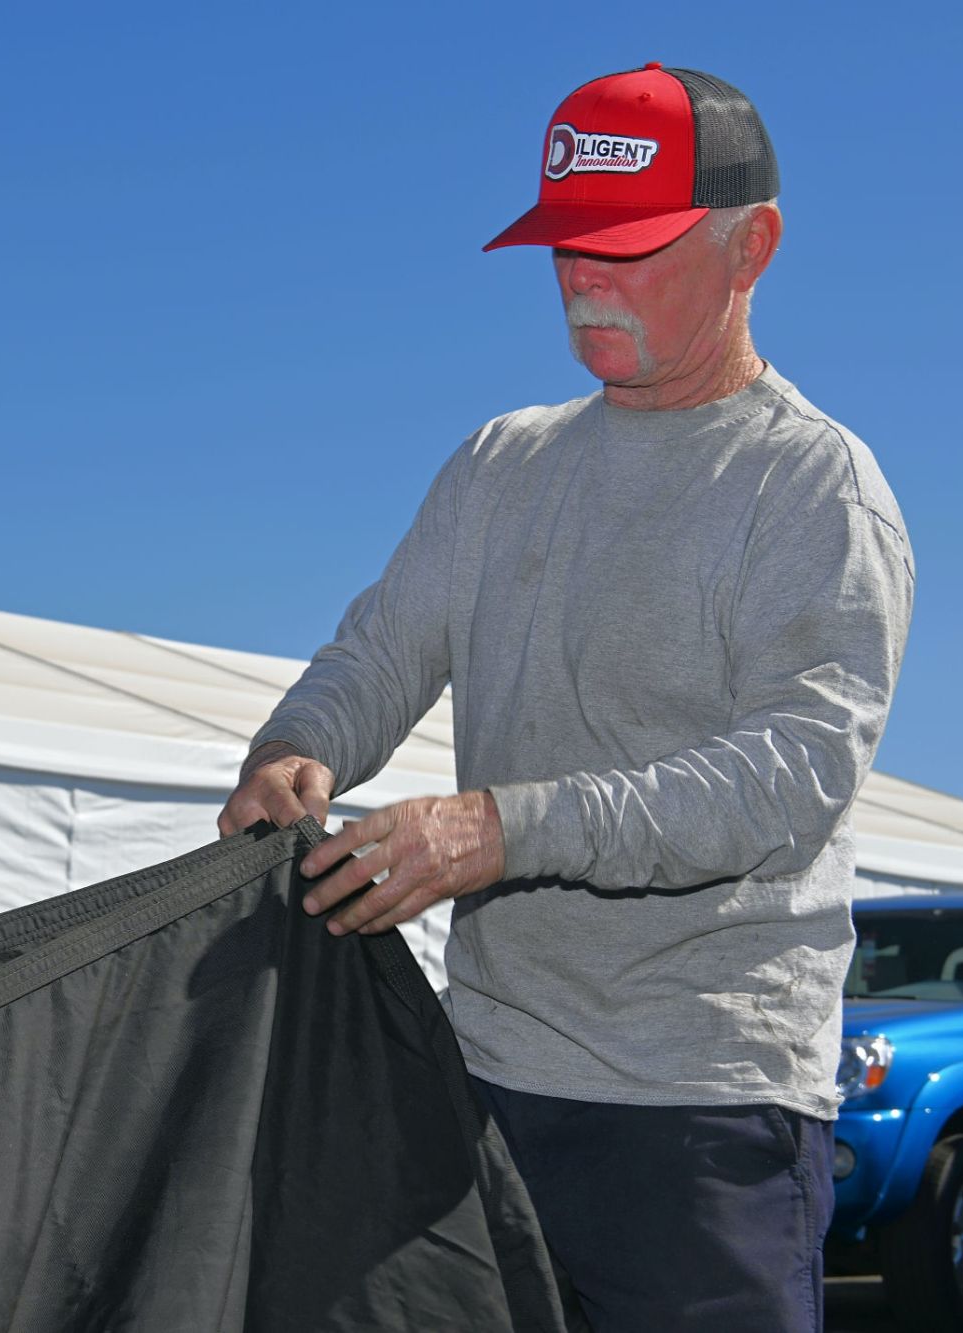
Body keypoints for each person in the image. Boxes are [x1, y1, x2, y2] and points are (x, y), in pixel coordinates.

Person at [216, 64, 914, 1332]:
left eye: (627, 248)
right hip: (480, 1088)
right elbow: (379, 650)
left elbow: (788, 779)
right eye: (564, 248)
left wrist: (498, 830)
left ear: (750, 245)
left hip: (704, 1108)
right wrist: (296, 744)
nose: (585, 281)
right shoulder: (501, 465)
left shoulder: (812, 488)